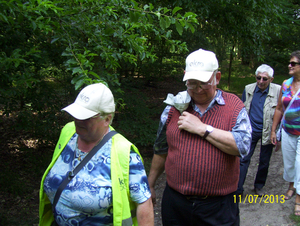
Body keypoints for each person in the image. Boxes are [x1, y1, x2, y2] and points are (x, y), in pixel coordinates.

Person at [148, 49, 252, 226]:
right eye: (191, 83)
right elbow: (161, 149)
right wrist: (150, 184)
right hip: (176, 203)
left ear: (217, 77)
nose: (197, 89)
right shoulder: (172, 108)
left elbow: (242, 147)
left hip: (219, 206)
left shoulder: (234, 106)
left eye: (204, 83)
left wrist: (202, 128)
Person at [39, 83, 154, 226]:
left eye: (86, 117)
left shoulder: (124, 152)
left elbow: (144, 202)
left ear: (107, 119)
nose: (78, 120)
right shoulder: (68, 132)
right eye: (76, 114)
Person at [237, 64, 281, 197]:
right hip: (251, 130)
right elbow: (243, 110)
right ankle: (238, 188)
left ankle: (259, 186)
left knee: (264, 160)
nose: (261, 81)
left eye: (264, 79)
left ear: (271, 79)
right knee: (243, 159)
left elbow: (281, 111)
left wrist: (277, 133)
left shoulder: (278, 91)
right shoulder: (248, 88)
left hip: (268, 131)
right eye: (258, 78)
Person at [271, 50, 300, 216]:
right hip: (288, 131)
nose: (289, 65)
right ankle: (291, 185)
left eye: (293, 63)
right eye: (290, 63)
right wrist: (274, 130)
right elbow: (280, 108)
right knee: (289, 164)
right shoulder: (285, 84)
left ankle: (298, 199)